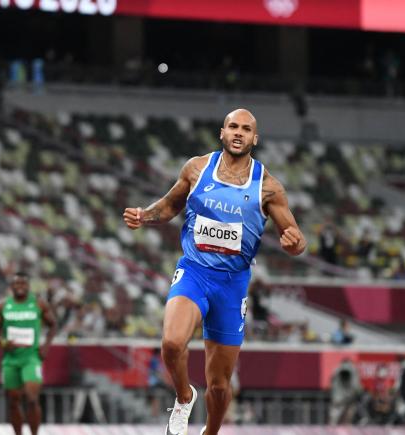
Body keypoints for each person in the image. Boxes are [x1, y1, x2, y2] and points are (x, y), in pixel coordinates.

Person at [123, 108, 306, 435]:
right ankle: (183, 396)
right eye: (233, 126)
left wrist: (295, 244)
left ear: (255, 138)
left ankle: (211, 432)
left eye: (246, 129)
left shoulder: (268, 187)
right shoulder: (197, 168)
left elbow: (294, 236)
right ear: (222, 132)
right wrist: (144, 215)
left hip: (232, 287)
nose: (238, 133)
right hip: (194, 272)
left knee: (219, 385)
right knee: (171, 344)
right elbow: (169, 206)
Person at [0, 272, 57, 435]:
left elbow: (53, 325)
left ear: (28, 286)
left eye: (23, 284)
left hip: (31, 358)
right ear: (11, 287)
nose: (20, 287)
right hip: (10, 359)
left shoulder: (39, 304)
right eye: (16, 284)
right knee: (13, 401)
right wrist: (3, 343)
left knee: (32, 399)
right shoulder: (3, 306)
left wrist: (46, 346)